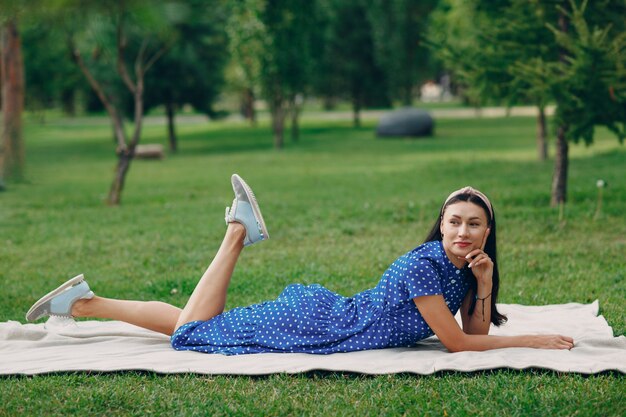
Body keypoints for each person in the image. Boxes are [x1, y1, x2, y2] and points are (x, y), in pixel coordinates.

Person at [26, 175, 575, 354]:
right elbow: (457, 345)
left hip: (331, 316)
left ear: (487, 232)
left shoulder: (464, 268)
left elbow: (470, 331)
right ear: (441, 224)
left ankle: (85, 302)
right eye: (454, 222)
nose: (463, 232)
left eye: (474, 224)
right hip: (321, 325)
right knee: (193, 333)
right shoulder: (422, 265)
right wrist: (531, 340)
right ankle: (238, 233)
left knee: (194, 322)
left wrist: (484, 284)